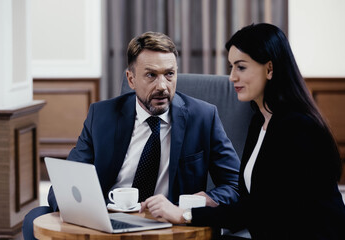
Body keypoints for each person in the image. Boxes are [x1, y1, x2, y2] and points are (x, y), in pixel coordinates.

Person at [140, 24, 345, 239]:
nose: (232, 77)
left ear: (270, 69)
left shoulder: (298, 127)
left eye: (241, 67)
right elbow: (253, 201)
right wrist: (212, 201)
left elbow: (258, 211)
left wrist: (184, 214)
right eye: (231, 67)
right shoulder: (260, 121)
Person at [22, 31, 241, 239]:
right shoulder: (102, 116)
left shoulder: (203, 117)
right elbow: (65, 185)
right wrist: (87, 209)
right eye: (151, 75)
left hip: (168, 227)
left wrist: (205, 200)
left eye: (169, 74)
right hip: (109, 222)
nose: (162, 86)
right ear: (131, 79)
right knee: (35, 217)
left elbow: (235, 185)